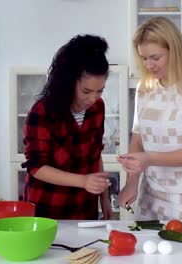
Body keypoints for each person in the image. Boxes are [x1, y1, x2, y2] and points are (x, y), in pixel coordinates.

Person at [117, 17, 182, 220]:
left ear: (175, 51)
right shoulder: (145, 88)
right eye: (144, 58)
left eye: (156, 57)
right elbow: (138, 139)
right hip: (151, 191)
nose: (149, 65)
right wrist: (131, 183)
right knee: (147, 250)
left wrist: (148, 159)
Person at [21, 34, 113, 220]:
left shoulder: (97, 108)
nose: (93, 98)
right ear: (68, 82)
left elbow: (96, 155)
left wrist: (105, 199)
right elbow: (36, 167)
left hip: (85, 210)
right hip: (48, 211)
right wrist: (83, 181)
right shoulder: (42, 112)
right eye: (86, 91)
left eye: (100, 90)